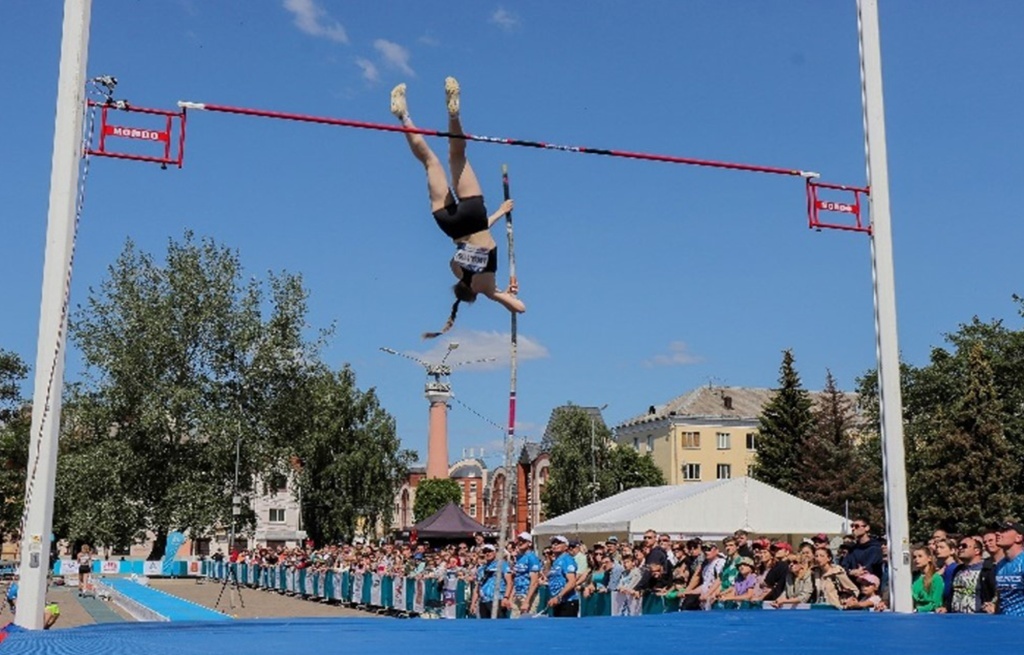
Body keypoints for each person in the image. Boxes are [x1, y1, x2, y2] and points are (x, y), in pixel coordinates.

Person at [390, 77, 525, 338]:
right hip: (450, 225)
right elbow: (473, 241)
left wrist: (504, 295)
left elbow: (520, 309)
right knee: (430, 162)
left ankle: (454, 114)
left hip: (475, 218)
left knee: (458, 156)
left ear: (474, 294)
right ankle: (404, 116)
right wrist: (499, 212)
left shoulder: (487, 288)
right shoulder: (455, 270)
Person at [938, 535, 997, 614]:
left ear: (977, 551)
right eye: (959, 546)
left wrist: (993, 605)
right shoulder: (957, 570)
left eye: (964, 546)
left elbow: (997, 593)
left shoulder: (988, 570)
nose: (960, 548)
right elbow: (953, 593)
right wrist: (946, 607)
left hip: (978, 618)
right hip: (955, 618)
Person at [506, 532, 541, 618]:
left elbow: (534, 582)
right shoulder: (519, 558)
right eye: (519, 540)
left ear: (529, 543)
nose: (520, 543)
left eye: (523, 541)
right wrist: (510, 598)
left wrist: (527, 601)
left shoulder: (532, 558)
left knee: (526, 624)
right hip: (517, 595)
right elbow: (517, 578)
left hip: (528, 595)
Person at [470, 544, 510, 618]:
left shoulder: (502, 565)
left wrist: (506, 597)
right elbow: (477, 587)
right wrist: (473, 603)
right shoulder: (480, 569)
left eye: (489, 551)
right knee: (485, 626)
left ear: (494, 552)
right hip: (483, 601)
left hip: (497, 599)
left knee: (499, 625)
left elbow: (509, 582)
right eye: (485, 552)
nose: (487, 553)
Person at [994, 520, 1024, 615]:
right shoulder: (1000, 565)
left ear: (1018, 538)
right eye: (998, 530)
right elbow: (1000, 597)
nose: (997, 533)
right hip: (1005, 622)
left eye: (1004, 531)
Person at [545, 536, 579, 617]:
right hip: (557, 601)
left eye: (558, 543)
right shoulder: (556, 561)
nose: (555, 545)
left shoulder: (567, 559)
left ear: (566, 546)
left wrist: (559, 597)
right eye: (553, 543)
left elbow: (571, 582)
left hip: (567, 601)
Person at [910, 545, 944, 613]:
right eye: (914, 557)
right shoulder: (915, 577)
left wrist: (918, 609)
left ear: (929, 558)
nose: (916, 559)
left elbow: (936, 602)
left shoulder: (936, 578)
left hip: (930, 614)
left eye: (920, 556)